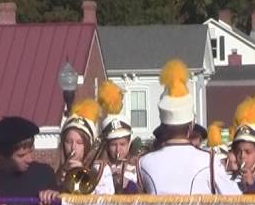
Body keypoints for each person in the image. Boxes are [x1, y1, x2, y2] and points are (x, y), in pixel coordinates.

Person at [139, 60, 237, 194]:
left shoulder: (144, 162)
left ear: (163, 127)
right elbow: (235, 200)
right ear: (191, 126)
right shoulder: (209, 160)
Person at [101, 110, 142, 194]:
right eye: (113, 145)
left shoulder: (138, 165)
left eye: (122, 144)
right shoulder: (100, 167)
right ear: (107, 146)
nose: (118, 149)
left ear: (129, 143)